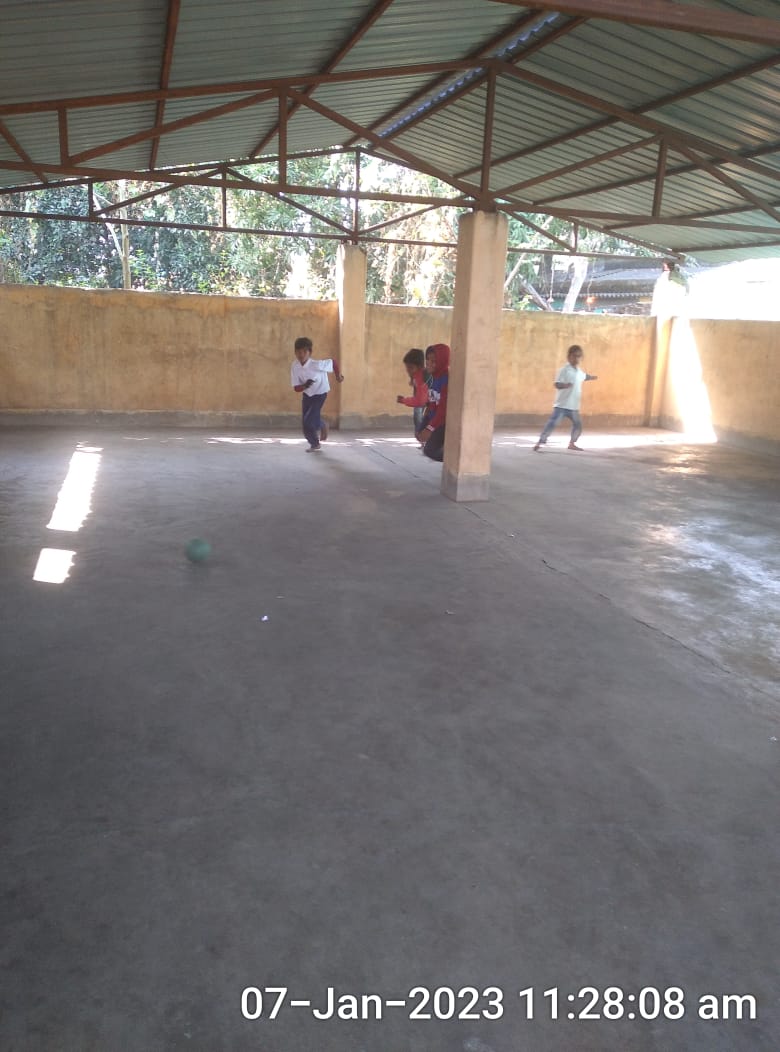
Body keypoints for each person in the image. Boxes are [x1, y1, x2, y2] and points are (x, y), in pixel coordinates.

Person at [533, 344, 597, 452]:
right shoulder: (563, 370)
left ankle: (572, 443)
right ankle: (540, 442)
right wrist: (564, 385)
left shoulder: (579, 371)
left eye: (579, 356)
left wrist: (592, 377)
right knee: (552, 423)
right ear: (569, 357)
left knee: (578, 425)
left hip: (574, 407)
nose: (577, 359)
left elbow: (585, 377)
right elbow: (556, 384)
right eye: (575, 356)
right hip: (562, 406)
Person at [290, 336, 343, 452]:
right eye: (298, 352)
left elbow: (333, 363)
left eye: (304, 351)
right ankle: (314, 444)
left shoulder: (316, 364)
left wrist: (338, 376)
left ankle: (323, 425)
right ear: (295, 352)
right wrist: (304, 386)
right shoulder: (295, 366)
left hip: (320, 393)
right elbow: (296, 388)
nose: (301, 354)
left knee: (310, 420)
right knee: (305, 423)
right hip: (307, 395)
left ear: (309, 352)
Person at [416, 342, 450, 461]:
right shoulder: (433, 377)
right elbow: (432, 401)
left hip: (442, 421)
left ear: (442, 361)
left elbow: (442, 410)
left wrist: (430, 428)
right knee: (419, 433)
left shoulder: (446, 381)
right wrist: (426, 415)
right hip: (433, 416)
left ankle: (454, 459)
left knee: (429, 451)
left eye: (433, 361)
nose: (429, 363)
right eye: (428, 360)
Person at [396, 347, 431, 432]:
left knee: (419, 417)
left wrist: (404, 400)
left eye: (410, 367)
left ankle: (421, 434)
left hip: (425, 401)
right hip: (423, 400)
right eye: (407, 367)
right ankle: (420, 433)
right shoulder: (416, 375)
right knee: (418, 416)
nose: (408, 370)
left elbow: (420, 401)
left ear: (419, 367)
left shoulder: (422, 377)